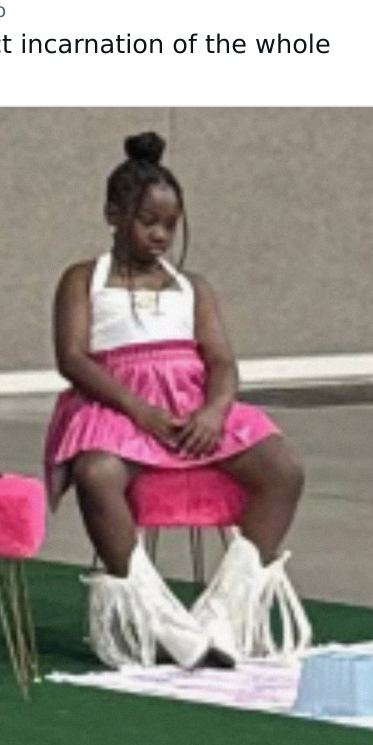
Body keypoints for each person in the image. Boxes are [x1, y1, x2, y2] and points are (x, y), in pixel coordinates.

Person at [44, 131, 310, 669]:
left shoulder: (193, 288)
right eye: (149, 222)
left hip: (189, 405)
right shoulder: (81, 279)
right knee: (97, 473)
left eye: (171, 224)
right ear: (113, 214)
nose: (161, 234)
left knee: (283, 468)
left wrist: (213, 411)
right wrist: (138, 410)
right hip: (115, 404)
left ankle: (223, 612)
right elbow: (72, 358)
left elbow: (222, 362)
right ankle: (156, 620)